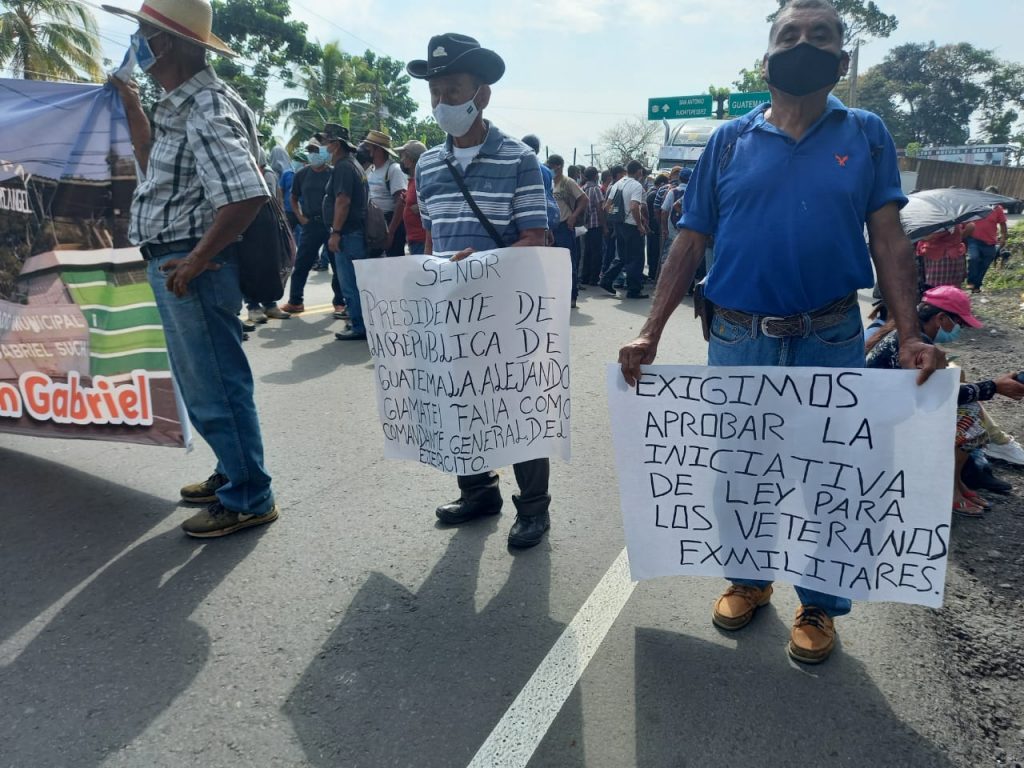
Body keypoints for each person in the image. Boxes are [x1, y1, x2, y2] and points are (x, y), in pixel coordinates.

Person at [617, 0, 944, 664]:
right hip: (739, 339)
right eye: (789, 36)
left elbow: (888, 237)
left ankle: (819, 604)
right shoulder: (728, 142)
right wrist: (650, 331)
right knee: (742, 472)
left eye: (820, 36)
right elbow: (690, 239)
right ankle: (749, 579)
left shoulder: (867, 133)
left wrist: (909, 333)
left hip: (829, 336)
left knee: (831, 476)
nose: (804, 45)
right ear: (767, 58)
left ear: (841, 60)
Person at [104, 0, 278, 537]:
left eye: (144, 33)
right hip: (182, 256)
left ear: (173, 43)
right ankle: (234, 473)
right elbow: (151, 153)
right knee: (202, 380)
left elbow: (247, 193)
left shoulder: (204, 105)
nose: (137, 43)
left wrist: (199, 259)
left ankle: (249, 496)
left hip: (191, 259)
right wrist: (130, 99)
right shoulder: (181, 104)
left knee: (215, 384)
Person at [408, 32, 552, 549]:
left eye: (454, 89)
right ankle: (478, 492)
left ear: (482, 94)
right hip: (449, 310)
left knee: (513, 409)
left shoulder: (518, 160)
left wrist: (481, 264)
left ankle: (533, 508)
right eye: (436, 91)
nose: (443, 100)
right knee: (459, 403)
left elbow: (535, 238)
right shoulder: (426, 164)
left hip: (505, 310)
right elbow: (431, 233)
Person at [865, 286, 1024, 516]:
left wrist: (990, 387)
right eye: (959, 323)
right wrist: (994, 387)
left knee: (969, 408)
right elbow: (941, 395)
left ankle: (956, 483)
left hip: (894, 409)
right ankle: (945, 489)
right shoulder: (917, 346)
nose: (960, 330)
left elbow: (936, 390)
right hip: (886, 424)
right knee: (969, 423)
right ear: (940, 318)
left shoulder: (909, 336)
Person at [317, 123, 368, 341]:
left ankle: (358, 325)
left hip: (348, 234)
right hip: (353, 232)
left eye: (326, 142)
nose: (323, 147)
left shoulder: (344, 167)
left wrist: (335, 232)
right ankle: (360, 322)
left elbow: (343, 201)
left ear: (336, 145)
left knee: (350, 283)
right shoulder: (352, 165)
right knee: (356, 282)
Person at [280, 139, 333, 315]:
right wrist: (300, 217)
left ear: (325, 152)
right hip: (310, 224)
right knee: (302, 263)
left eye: (316, 150)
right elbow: (293, 198)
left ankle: (340, 302)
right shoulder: (301, 174)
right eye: (310, 150)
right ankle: (295, 301)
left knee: (337, 265)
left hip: (331, 224)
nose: (312, 154)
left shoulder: (333, 173)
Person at [599, 159, 648, 299]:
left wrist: (617, 215)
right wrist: (639, 225)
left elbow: (606, 206)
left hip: (618, 224)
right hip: (631, 225)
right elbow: (634, 206)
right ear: (639, 171)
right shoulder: (636, 186)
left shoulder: (617, 184)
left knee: (621, 256)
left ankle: (606, 279)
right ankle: (634, 290)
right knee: (636, 258)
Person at [546, 154, 588, 308]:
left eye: (552, 166)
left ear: (559, 166)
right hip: (550, 228)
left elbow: (584, 199)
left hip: (564, 226)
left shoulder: (567, 182)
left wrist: (573, 216)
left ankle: (572, 297)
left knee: (568, 263)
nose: (550, 168)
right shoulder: (547, 181)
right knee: (551, 265)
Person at [363, 130, 408, 257]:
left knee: (393, 265)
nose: (366, 149)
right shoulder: (370, 170)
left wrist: (391, 232)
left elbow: (400, 202)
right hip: (373, 223)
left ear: (378, 150)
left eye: (369, 146)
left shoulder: (393, 169)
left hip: (390, 221)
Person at [966, 187, 1009, 292]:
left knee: (985, 264)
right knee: (974, 258)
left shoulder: (998, 209)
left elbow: (1003, 225)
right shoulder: (977, 206)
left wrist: (1003, 238)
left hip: (990, 242)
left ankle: (977, 286)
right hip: (974, 240)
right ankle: (971, 282)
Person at [397, 139, 428, 255]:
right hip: (415, 240)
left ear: (410, 159)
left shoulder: (423, 180)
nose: (402, 160)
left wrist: (420, 208)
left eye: (403, 156)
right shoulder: (413, 180)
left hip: (422, 240)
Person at [917, 223, 970, 289]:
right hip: (951, 254)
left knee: (937, 287)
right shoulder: (954, 219)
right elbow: (970, 226)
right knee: (952, 287)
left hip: (942, 257)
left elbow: (928, 237)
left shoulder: (943, 221)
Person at [579, 166, 606, 285]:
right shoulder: (596, 189)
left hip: (585, 225)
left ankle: (585, 276)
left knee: (587, 252)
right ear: (595, 176)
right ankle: (594, 278)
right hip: (595, 224)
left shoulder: (583, 188)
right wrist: (604, 225)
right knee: (597, 252)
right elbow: (600, 209)